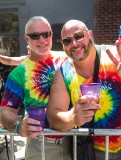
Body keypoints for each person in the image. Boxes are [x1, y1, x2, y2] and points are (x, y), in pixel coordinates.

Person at [47, 19, 121, 160]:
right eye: (67, 41)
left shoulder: (118, 57)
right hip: (91, 152)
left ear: (90, 35)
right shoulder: (64, 72)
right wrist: (72, 118)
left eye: (78, 36)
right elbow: (53, 117)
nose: (74, 43)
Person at [0, 16, 71, 160]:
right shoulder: (19, 73)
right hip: (41, 145)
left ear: (51, 35)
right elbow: (4, 111)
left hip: (74, 141)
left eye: (46, 34)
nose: (42, 40)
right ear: (27, 39)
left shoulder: (67, 60)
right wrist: (18, 125)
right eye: (35, 36)